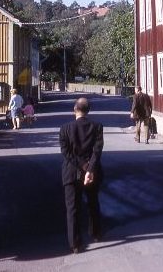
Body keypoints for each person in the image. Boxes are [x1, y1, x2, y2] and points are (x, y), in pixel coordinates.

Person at [60, 97, 104, 253]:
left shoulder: (65, 128)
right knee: (93, 203)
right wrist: (89, 169)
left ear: (74, 109)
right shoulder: (97, 127)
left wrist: (81, 166)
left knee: (72, 208)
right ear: (88, 110)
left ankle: (75, 243)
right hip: (92, 173)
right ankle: (96, 233)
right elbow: (97, 151)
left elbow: (66, 153)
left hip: (71, 173)